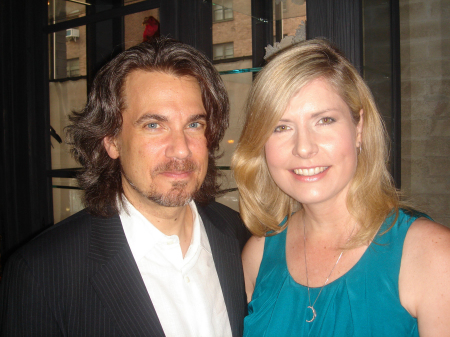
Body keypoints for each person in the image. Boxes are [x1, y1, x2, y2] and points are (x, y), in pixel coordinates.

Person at [0, 38, 249, 336]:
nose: (181, 150)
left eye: (194, 125)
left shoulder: (238, 235)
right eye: (154, 125)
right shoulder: (41, 274)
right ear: (112, 140)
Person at [232, 38, 450, 336]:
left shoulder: (433, 255)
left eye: (324, 120)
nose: (304, 148)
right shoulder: (257, 256)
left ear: (358, 128)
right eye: (280, 127)